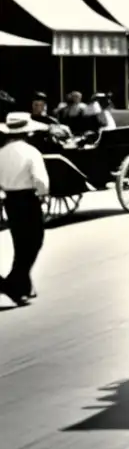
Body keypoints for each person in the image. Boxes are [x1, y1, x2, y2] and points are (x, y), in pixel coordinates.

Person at [0, 112, 50, 306]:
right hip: (28, 199)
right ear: (27, 133)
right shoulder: (31, 152)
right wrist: (43, 194)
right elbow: (40, 180)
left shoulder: (2, 153)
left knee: (20, 243)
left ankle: (22, 286)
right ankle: (11, 284)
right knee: (34, 241)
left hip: (10, 200)